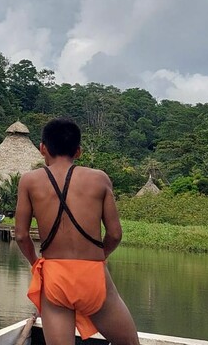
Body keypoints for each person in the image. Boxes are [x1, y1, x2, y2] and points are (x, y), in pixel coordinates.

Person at [14, 118, 139, 345]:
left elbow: (21, 235)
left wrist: (35, 264)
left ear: (43, 148)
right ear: (78, 151)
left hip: (55, 276)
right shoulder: (99, 179)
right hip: (92, 274)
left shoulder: (29, 181)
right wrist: (101, 257)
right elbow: (115, 234)